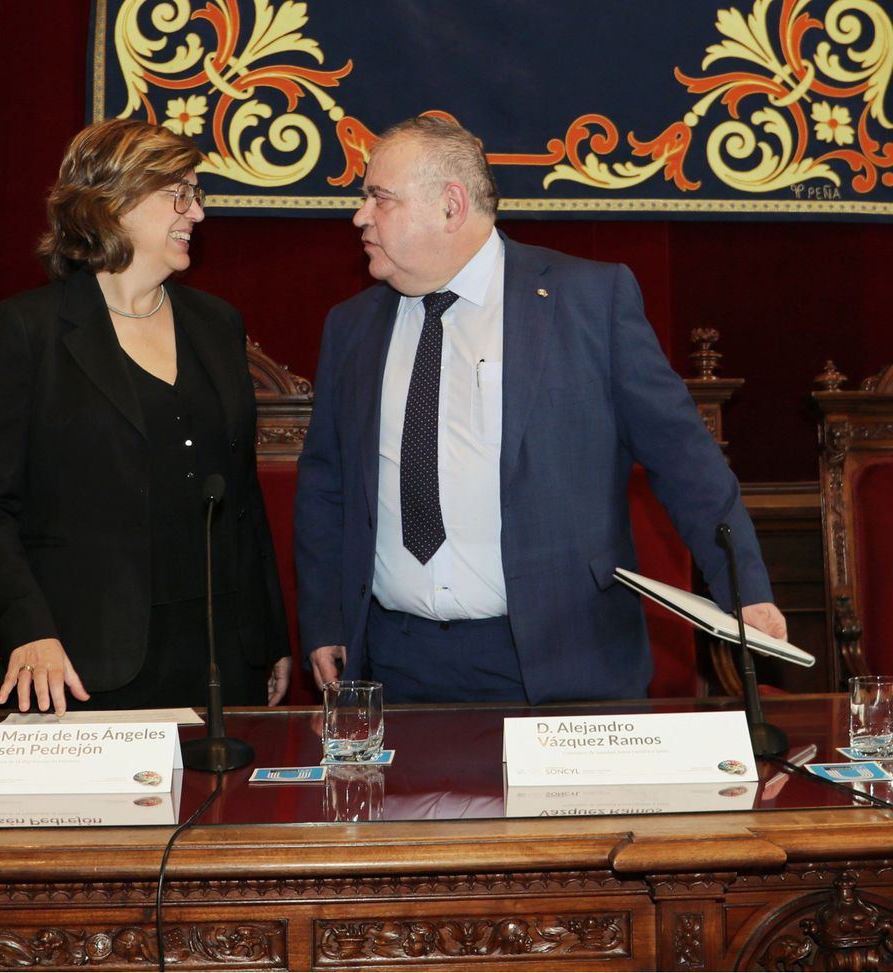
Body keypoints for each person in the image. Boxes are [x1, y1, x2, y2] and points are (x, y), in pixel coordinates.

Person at [294, 116, 787, 704]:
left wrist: (744, 587)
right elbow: (326, 482)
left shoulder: (588, 301)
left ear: (451, 206)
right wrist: (325, 615)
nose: (360, 216)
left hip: (559, 659)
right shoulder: (351, 327)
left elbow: (684, 458)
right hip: (395, 664)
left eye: (380, 198)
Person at [0, 118, 292, 715]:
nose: (198, 213)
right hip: (80, 660)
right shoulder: (29, 329)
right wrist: (28, 630)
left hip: (221, 653)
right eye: (179, 194)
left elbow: (243, 499)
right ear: (114, 201)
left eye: (197, 194)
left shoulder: (217, 324)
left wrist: (268, 636)